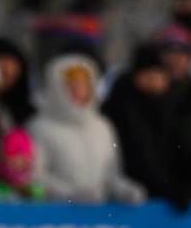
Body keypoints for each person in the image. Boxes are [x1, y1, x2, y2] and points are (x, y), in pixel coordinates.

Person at [26, 53, 140, 205]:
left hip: (99, 221)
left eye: (85, 85)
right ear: (56, 88)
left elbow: (111, 173)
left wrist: (123, 189)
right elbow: (32, 176)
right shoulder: (39, 128)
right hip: (55, 221)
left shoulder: (103, 127)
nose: (80, 91)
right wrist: (69, 193)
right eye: (72, 85)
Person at [104, 42, 191, 210]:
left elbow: (182, 150)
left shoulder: (169, 106)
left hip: (161, 194)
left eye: (158, 74)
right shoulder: (123, 106)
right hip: (133, 197)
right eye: (147, 73)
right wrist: (168, 190)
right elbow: (139, 155)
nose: (153, 80)